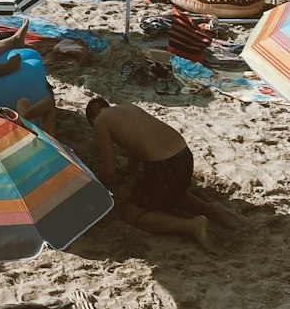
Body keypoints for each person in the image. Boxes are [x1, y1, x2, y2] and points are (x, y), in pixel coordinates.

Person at [85, 98, 239, 251]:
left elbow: (109, 169)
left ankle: (191, 225)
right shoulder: (127, 107)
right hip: (184, 156)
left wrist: (97, 191)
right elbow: (136, 149)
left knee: (132, 216)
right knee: (168, 194)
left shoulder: (100, 122)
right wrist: (130, 170)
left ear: (92, 118)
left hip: (164, 166)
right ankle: (208, 208)